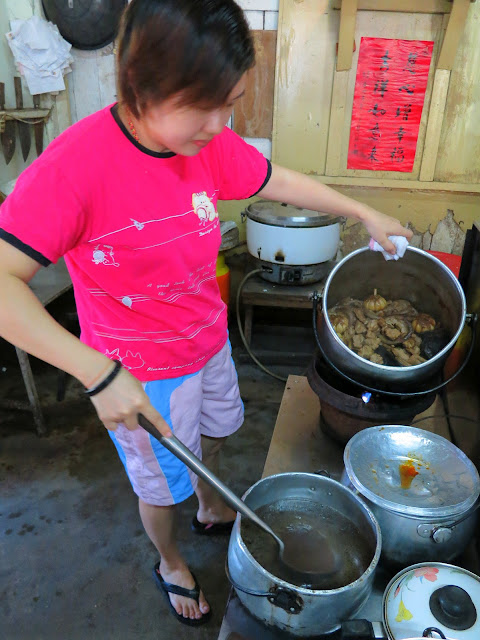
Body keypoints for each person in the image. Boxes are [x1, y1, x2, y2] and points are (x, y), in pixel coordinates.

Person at [0, 0, 412, 627]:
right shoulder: (73, 168)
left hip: (206, 341)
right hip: (138, 371)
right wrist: (94, 372)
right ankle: (169, 561)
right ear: (140, 84)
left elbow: (276, 179)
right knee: (159, 485)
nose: (222, 123)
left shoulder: (209, 144)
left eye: (233, 101)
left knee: (217, 433)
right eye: (203, 105)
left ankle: (211, 505)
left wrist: (363, 211)